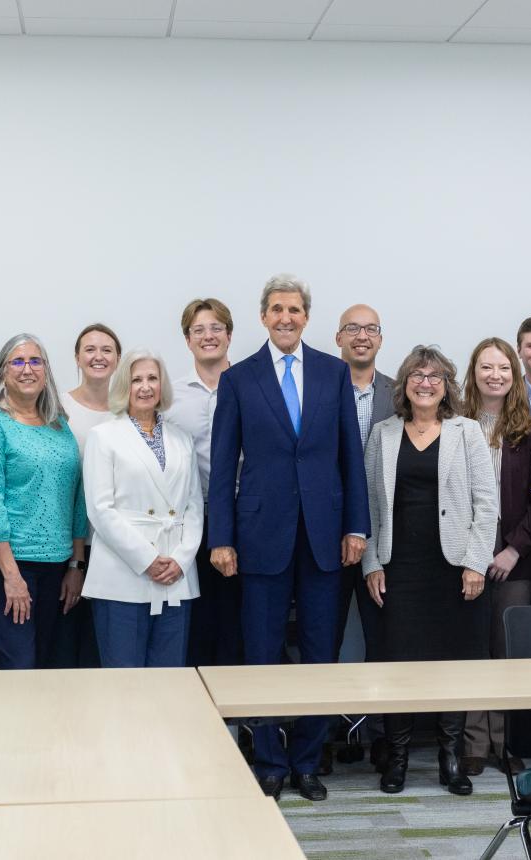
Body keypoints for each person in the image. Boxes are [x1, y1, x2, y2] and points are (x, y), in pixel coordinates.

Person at [208, 274, 371, 802]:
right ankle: (270, 762)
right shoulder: (239, 379)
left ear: (306, 317)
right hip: (259, 534)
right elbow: (222, 467)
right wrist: (221, 538)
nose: (285, 317)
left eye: (295, 309)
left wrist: (356, 525)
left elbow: (351, 457)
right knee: (262, 651)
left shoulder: (333, 372)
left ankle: (307, 761)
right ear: (262, 316)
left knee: (321, 652)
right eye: (276, 309)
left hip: (325, 534)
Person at [362, 345, 498, 796]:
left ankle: (450, 758)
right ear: (405, 384)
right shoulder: (383, 433)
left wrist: (476, 562)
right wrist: (371, 563)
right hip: (398, 568)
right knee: (398, 663)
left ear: (447, 386)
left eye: (435, 376)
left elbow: (486, 502)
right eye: (418, 375)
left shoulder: (467, 432)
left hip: (453, 567)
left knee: (451, 664)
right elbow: (368, 505)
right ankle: (397, 758)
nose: (426, 383)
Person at [0, 334, 88, 670]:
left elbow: (76, 497)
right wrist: (12, 576)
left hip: (56, 565)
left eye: (35, 361)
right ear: (3, 373)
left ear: (46, 371)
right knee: (19, 666)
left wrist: (76, 565)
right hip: (3, 564)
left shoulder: (59, 426)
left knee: (48, 665)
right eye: (17, 361)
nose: (27, 369)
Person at [458, 337, 531, 777]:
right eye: (486, 367)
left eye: (504, 369)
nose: (495, 375)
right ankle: (476, 742)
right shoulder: (455, 423)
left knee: (508, 648)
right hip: (464, 552)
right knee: (473, 645)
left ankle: (508, 740)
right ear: (473, 372)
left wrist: (514, 547)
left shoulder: (528, 429)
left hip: (517, 553)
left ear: (515, 376)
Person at [83, 349, 201, 667]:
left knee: (170, 680)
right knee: (125, 683)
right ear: (124, 386)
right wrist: (148, 560)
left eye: (152, 378)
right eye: (137, 380)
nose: (145, 387)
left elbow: (193, 505)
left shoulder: (181, 439)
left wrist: (181, 559)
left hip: (176, 574)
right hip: (123, 575)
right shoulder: (103, 436)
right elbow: (100, 509)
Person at [331, 303, 394, 767]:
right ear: (338, 338)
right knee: (321, 639)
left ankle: (385, 738)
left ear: (380, 338)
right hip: (325, 536)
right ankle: (325, 734)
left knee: (385, 641)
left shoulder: (401, 391)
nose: (361, 336)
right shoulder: (318, 387)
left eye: (370, 329)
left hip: (387, 539)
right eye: (352, 328)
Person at [165, 298, 241, 668]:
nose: (208, 336)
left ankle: (240, 723)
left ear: (229, 335)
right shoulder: (170, 397)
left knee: (238, 624)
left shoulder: (252, 386)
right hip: (190, 521)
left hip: (244, 518)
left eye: (216, 328)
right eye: (199, 330)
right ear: (187, 339)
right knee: (196, 621)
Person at [53, 322, 122, 669]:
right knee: (70, 644)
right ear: (77, 358)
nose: (98, 356)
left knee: (103, 646)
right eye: (90, 350)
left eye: (106, 350)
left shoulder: (127, 411)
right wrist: (75, 560)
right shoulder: (58, 409)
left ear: (118, 359)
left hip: (115, 546)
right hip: (68, 544)